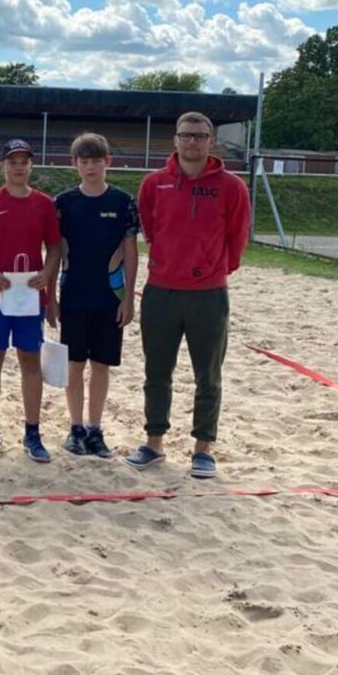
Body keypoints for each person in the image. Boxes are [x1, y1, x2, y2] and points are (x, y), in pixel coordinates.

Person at [125, 112, 250, 479]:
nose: (192, 142)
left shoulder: (231, 186)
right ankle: (154, 443)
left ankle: (203, 449)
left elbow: (237, 235)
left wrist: (216, 268)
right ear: (175, 140)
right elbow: (151, 228)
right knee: (156, 372)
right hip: (161, 290)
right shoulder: (154, 184)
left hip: (208, 294)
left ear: (212, 141)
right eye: (186, 135)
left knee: (208, 375)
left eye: (199, 136)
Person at [0, 138, 60, 463]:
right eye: (13, 162)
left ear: (31, 165)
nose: (19, 167)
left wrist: (47, 274)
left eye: (24, 162)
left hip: (30, 295)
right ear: (3, 166)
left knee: (30, 361)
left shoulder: (44, 204)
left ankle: (32, 433)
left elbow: (55, 247)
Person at [47, 133, 139, 459]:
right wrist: (50, 297)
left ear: (107, 162)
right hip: (73, 295)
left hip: (110, 297)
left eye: (96, 161)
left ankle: (95, 429)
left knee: (101, 365)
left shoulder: (123, 202)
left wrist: (129, 298)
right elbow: (55, 252)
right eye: (84, 161)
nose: (90, 167)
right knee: (74, 364)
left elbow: (131, 252)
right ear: (75, 164)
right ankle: (75, 427)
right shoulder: (63, 203)